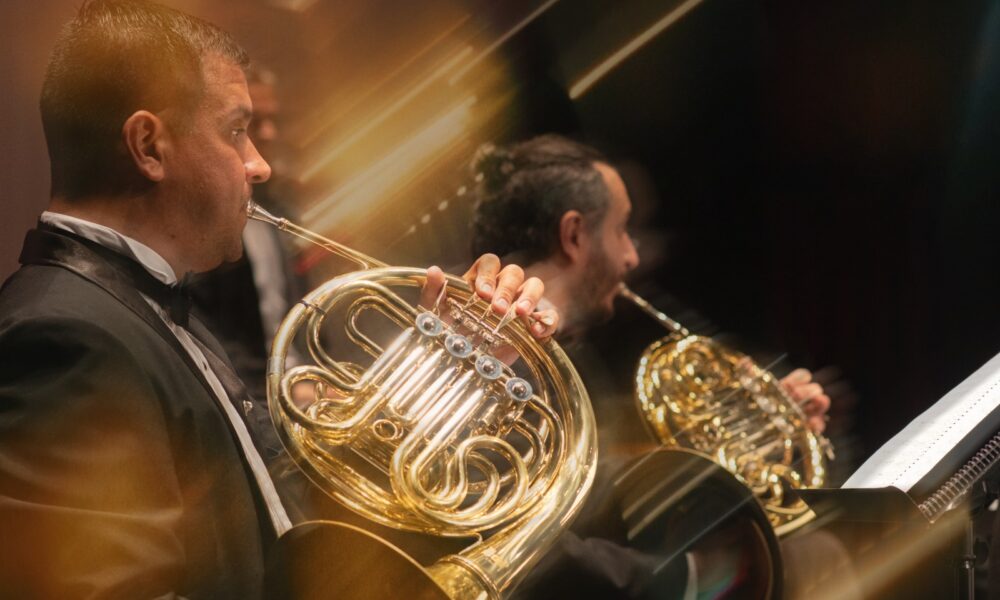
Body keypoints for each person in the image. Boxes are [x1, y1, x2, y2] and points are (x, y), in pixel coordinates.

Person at [0, 2, 555, 598]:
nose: (259, 166)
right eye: (235, 132)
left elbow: (274, 502)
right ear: (149, 146)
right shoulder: (64, 339)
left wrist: (446, 361)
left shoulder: (143, 307)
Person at [469, 134, 849, 599]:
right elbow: (519, 538)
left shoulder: (571, 358)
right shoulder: (499, 347)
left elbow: (597, 488)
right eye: (620, 229)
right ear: (574, 235)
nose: (631, 255)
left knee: (816, 550)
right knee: (818, 557)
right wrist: (688, 576)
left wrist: (764, 429)